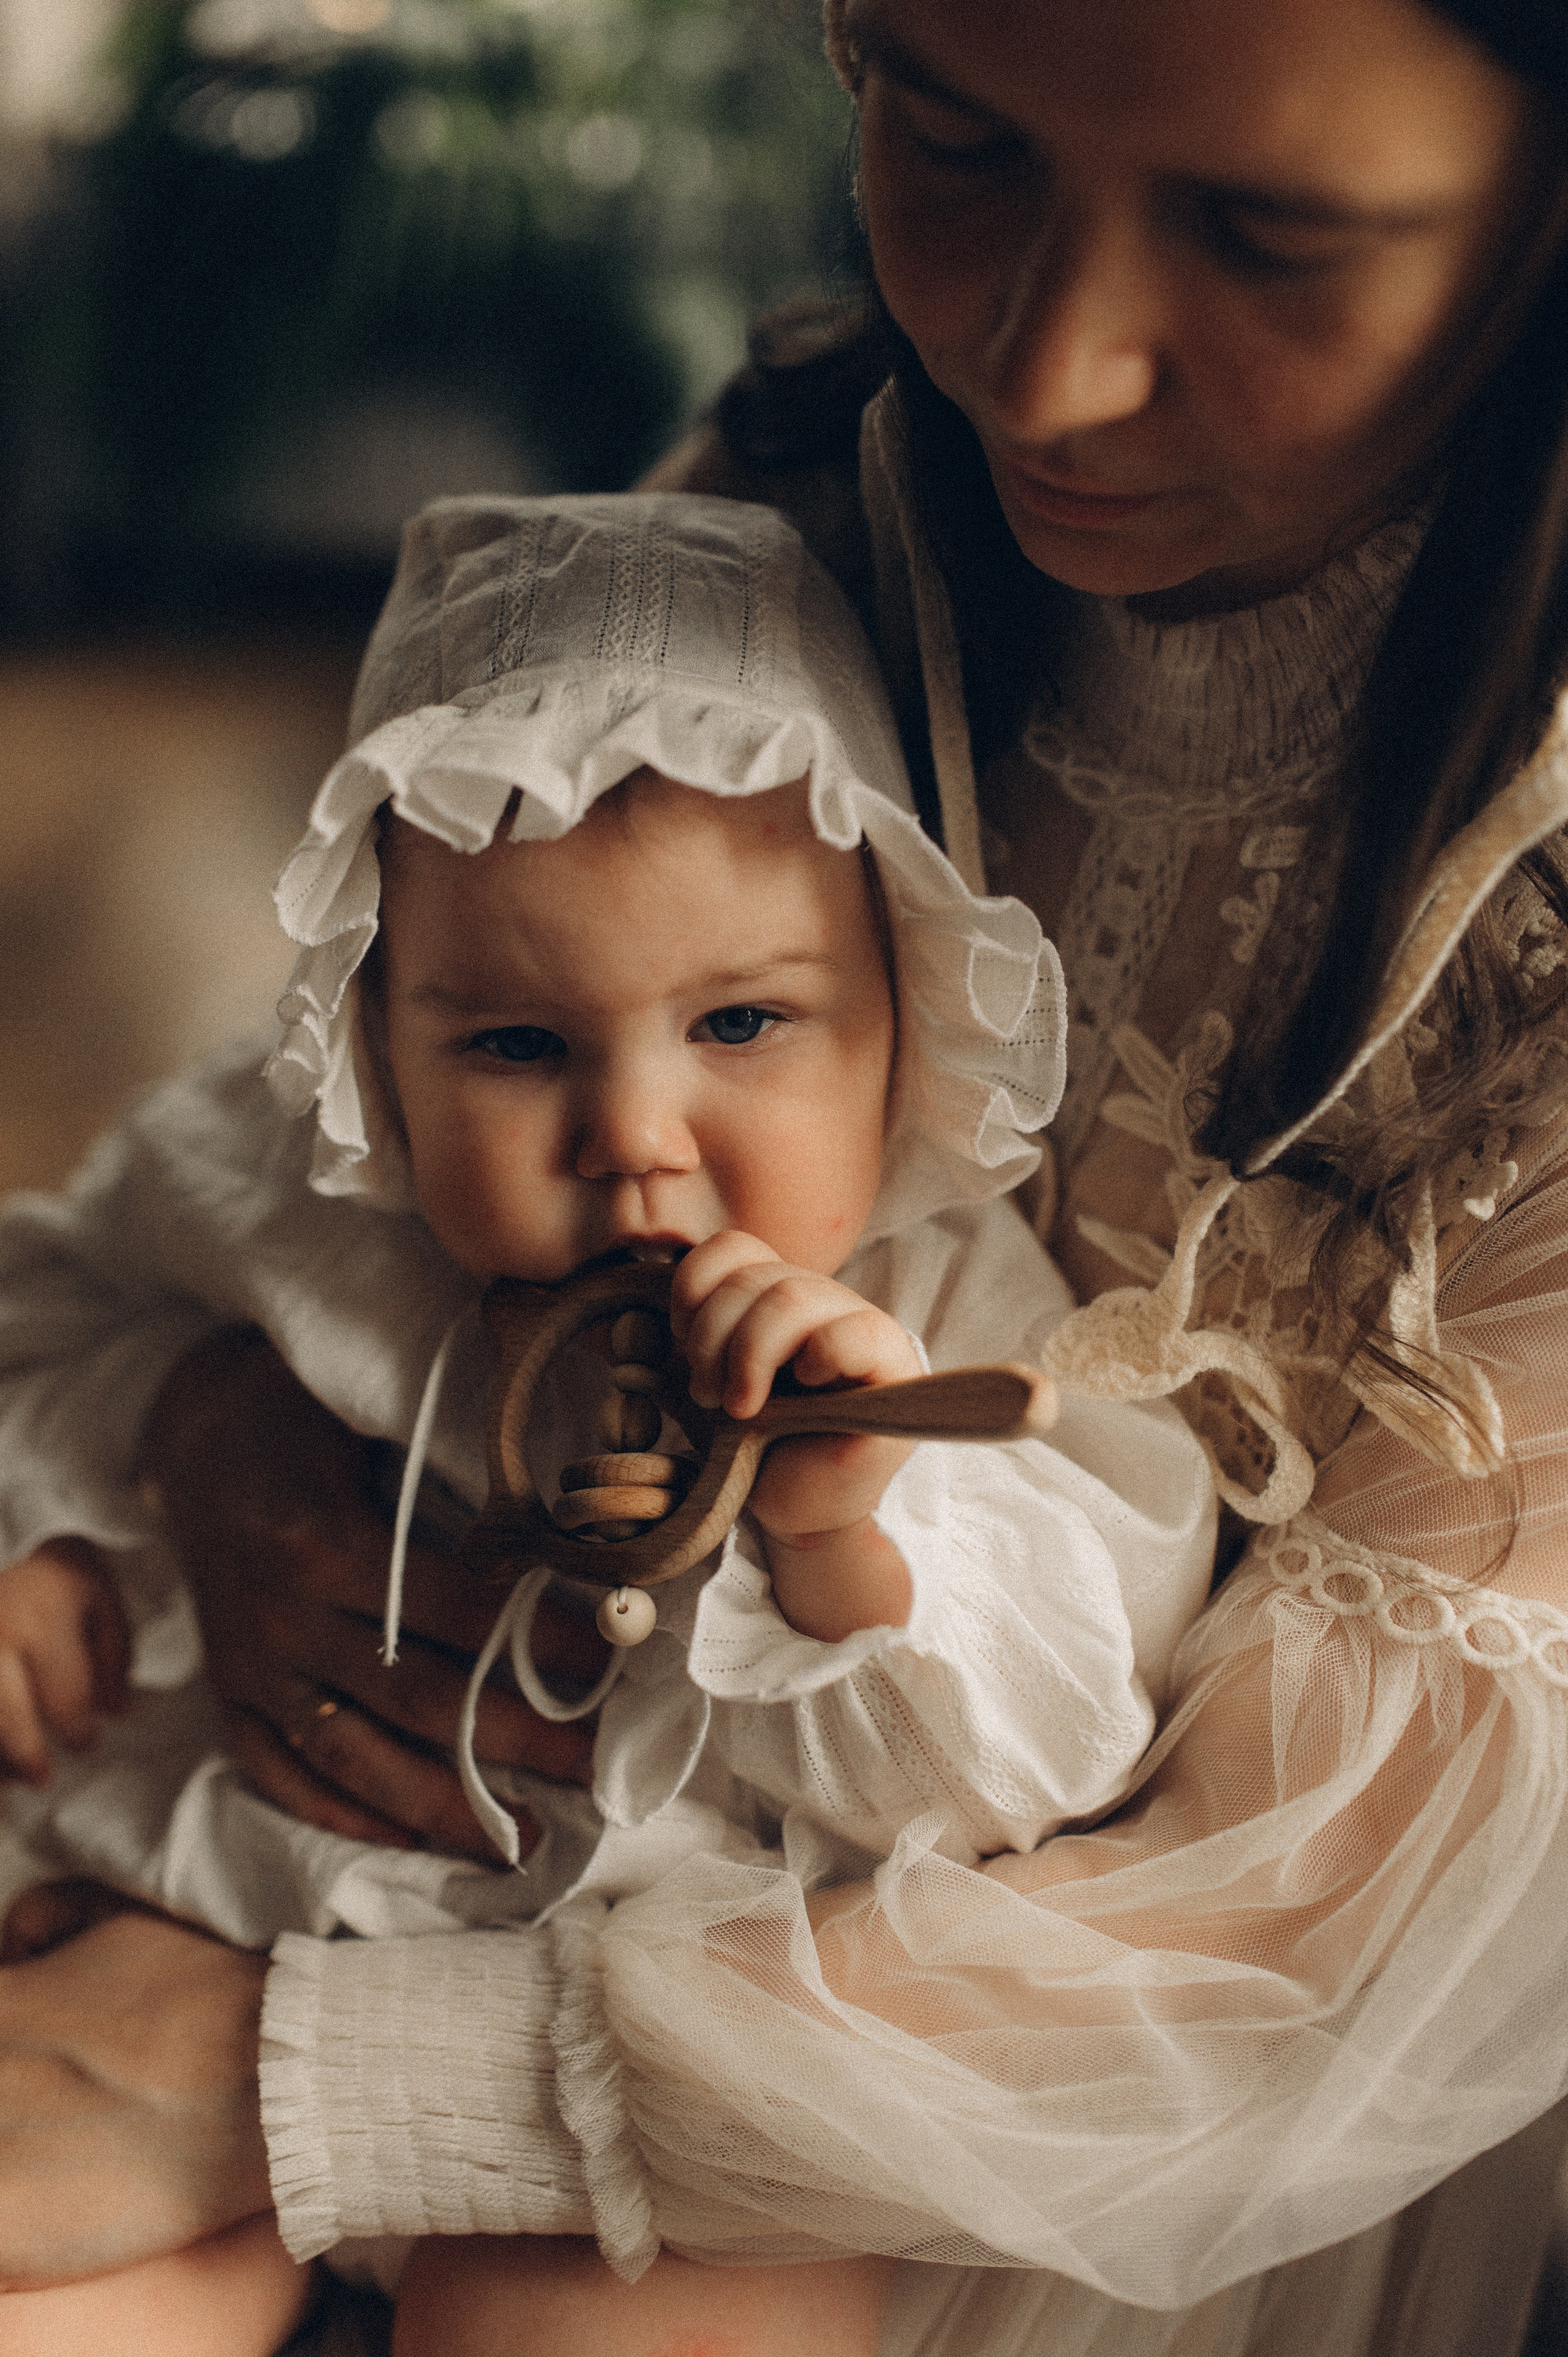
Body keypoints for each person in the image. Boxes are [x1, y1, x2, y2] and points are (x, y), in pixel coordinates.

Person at [2, 0, 1568, 2352]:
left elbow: (1272, 1920)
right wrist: (176, 1444)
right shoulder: (799, 513)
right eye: (944, 135)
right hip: (270, 1853)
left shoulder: (962, 1306)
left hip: (957, 2066)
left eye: (1265, 235)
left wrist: (842, 1530)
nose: (1038, 377)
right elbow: (122, 1252)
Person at [0, 491, 1214, 2353]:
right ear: (374, 1037)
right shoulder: (286, 1187)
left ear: (899, 1010)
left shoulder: (951, 1308)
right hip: (238, 1916)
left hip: (665, 2048)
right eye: (514, 1046)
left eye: (741, 1025)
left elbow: (1040, 1766)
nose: (633, 1133)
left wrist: (839, 1537)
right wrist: (57, 1532)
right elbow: (51, 1312)